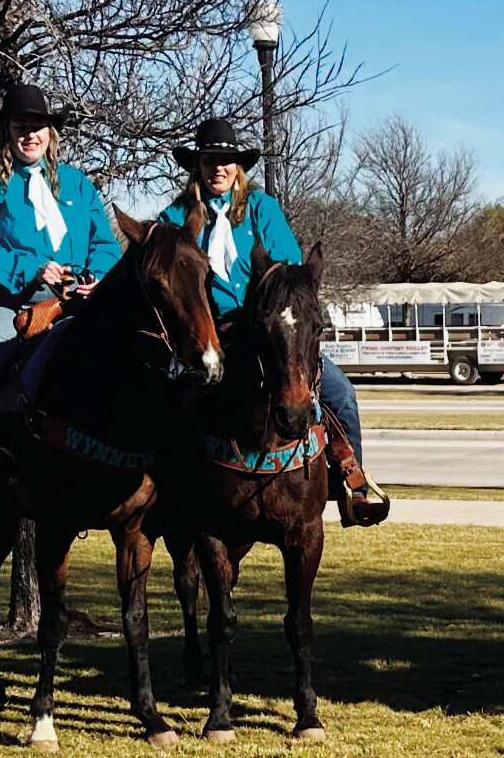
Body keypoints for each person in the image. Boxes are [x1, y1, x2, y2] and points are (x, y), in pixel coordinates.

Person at [157, 118, 386, 525]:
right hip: (204, 331)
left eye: (227, 161)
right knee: (172, 397)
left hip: (267, 330)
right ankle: (168, 488)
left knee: (339, 392)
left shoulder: (263, 209)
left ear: (238, 167)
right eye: (210, 160)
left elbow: (288, 270)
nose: (218, 168)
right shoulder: (175, 215)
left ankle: (354, 485)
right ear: (198, 165)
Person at [0, 84, 121, 526]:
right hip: (9, 300)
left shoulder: (78, 183)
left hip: (78, 301)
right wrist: (32, 267)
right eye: (21, 126)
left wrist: (97, 277)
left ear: (50, 133)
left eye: (37, 126)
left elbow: (105, 243)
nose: (29, 134)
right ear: (6, 131)